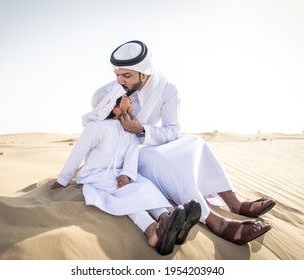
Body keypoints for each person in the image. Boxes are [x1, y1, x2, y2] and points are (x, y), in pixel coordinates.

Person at [90, 40, 276, 246]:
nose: (120, 81)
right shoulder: (106, 93)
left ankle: (234, 204)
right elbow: (100, 131)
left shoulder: (167, 89)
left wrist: (142, 130)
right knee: (161, 159)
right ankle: (216, 222)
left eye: (126, 75)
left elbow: (172, 130)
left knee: (195, 142)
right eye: (117, 74)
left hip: (153, 138)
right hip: (127, 151)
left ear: (144, 74)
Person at [50, 86, 202, 255]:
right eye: (125, 97)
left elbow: (132, 155)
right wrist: (63, 179)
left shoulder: (129, 129)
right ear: (114, 106)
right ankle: (152, 231)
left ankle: (168, 218)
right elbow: (76, 155)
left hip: (121, 174)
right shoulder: (96, 128)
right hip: (96, 175)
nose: (130, 98)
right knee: (125, 197)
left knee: (145, 187)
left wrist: (128, 174)